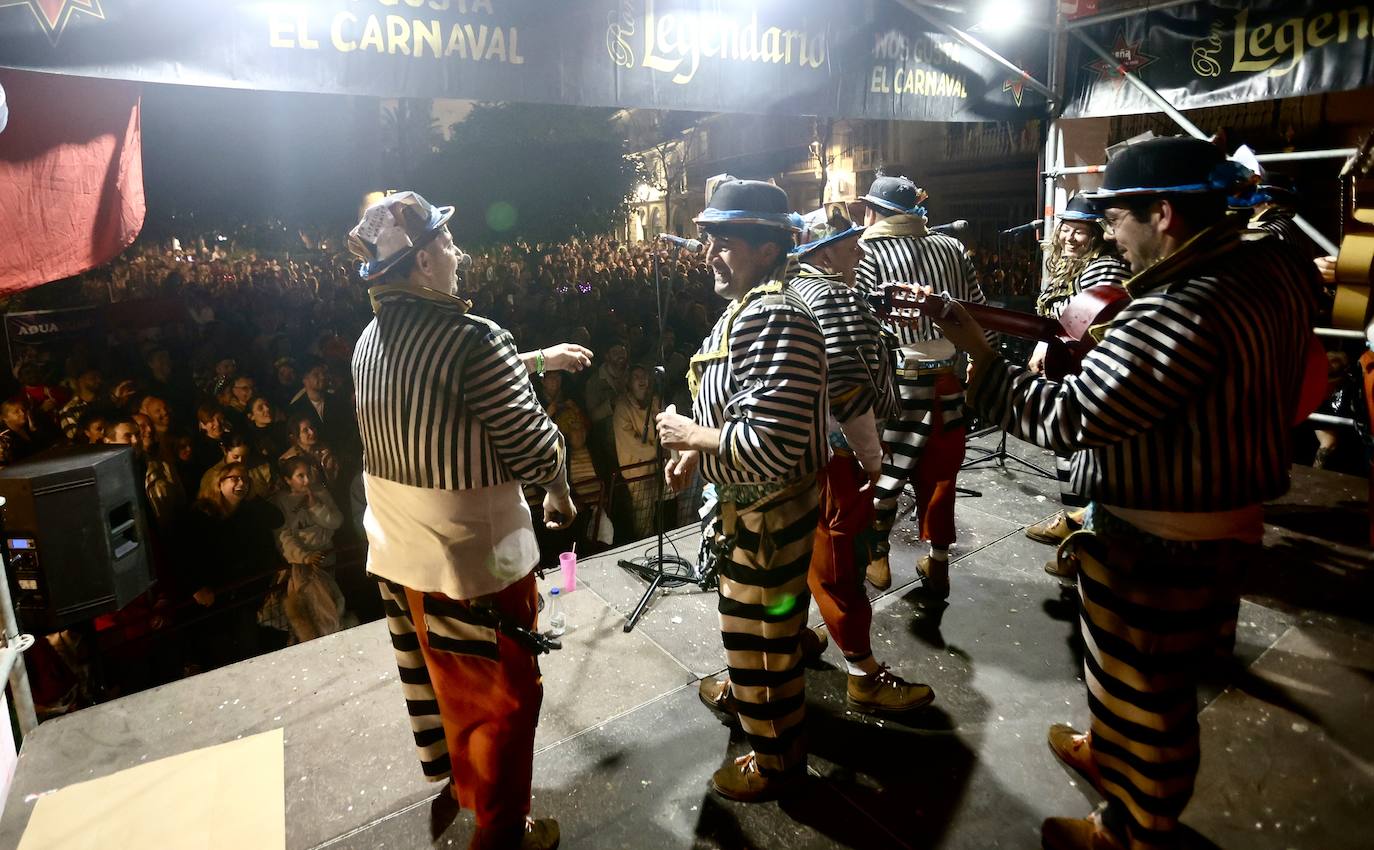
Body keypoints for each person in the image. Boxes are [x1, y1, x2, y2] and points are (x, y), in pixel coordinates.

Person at [931, 137, 1316, 850]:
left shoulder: (1178, 305)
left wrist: (979, 351)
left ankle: (1135, 827)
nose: (1108, 234)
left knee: (1151, 697)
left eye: (1116, 219)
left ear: (1163, 215)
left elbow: (1065, 417)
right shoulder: (1270, 263)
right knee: (1128, 678)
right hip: (1215, 512)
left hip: (1161, 536)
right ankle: (1109, 752)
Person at [348, 191, 582, 850]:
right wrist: (559, 494)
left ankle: (479, 798)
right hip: (477, 566)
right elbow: (536, 446)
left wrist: (539, 359)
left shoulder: (368, 340)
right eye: (448, 243)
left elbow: (448, 382)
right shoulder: (474, 338)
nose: (460, 252)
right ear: (424, 262)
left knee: (454, 692)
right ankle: (501, 834)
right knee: (506, 704)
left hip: (402, 560)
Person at [656, 180, 827, 802]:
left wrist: (691, 436)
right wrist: (695, 457)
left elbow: (772, 445)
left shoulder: (776, 314)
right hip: (748, 513)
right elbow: (744, 410)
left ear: (766, 247)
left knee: (763, 642)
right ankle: (753, 702)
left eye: (723, 242)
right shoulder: (753, 306)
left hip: (768, 518)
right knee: (747, 628)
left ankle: (776, 757)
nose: (710, 256)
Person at [784, 217, 932, 713]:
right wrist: (874, 462)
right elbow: (849, 394)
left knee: (798, 555)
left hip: (793, 456)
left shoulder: (789, 291)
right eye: (851, 248)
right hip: (834, 456)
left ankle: (791, 638)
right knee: (838, 564)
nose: (861, 256)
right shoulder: (835, 299)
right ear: (824, 255)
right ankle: (863, 672)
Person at [854, 175, 990, 597]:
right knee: (941, 470)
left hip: (898, 382)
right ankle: (939, 562)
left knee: (885, 467)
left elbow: (860, 323)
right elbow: (977, 311)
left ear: (873, 211)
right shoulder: (952, 247)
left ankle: (877, 556)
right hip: (948, 376)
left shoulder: (868, 251)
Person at [1025, 195, 1131, 563]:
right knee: (1067, 452)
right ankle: (1077, 525)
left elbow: (1085, 325)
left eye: (1081, 232)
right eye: (1066, 229)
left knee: (1077, 449)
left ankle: (1082, 537)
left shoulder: (1101, 268)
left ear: (1097, 235)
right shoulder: (1071, 264)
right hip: (1066, 364)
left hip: (1083, 370)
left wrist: (1048, 345)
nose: (1070, 237)